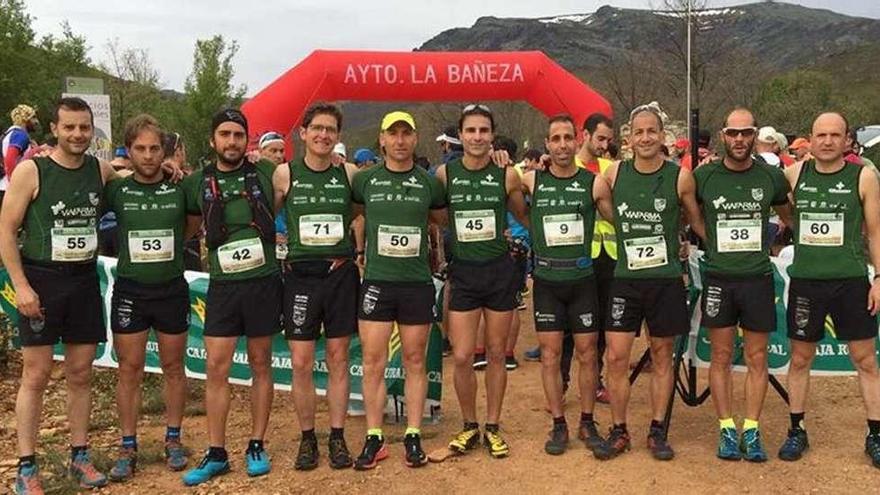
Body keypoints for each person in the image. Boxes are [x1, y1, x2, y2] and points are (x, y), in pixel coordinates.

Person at [1, 97, 117, 493]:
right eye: (69, 127)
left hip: (84, 280)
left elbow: (137, 174)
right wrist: (20, 285)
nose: (78, 134)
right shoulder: (32, 171)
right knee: (36, 374)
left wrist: (167, 165)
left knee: (81, 373)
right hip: (41, 280)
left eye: (84, 127)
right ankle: (26, 466)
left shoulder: (99, 170)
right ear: (54, 128)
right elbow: (5, 229)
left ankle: (80, 456)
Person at [594, 104, 705, 461]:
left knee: (661, 356)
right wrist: (622, 227)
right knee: (616, 357)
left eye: (652, 131)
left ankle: (658, 429)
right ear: (628, 138)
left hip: (665, 281)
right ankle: (619, 429)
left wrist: (718, 250)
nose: (645, 138)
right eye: (638, 132)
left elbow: (696, 221)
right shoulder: (613, 174)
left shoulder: (680, 177)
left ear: (662, 136)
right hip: (625, 281)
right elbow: (599, 202)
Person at [181, 109, 281, 485]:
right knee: (216, 367)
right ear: (213, 140)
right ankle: (217, 450)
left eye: (239, 135)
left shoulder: (267, 173)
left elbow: (294, 180)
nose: (232, 141)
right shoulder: (195, 182)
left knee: (261, 363)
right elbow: (189, 222)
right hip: (223, 285)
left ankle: (257, 443)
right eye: (225, 134)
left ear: (247, 140)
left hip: (263, 281)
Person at [778, 112, 880, 468]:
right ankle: (797, 429)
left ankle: (876, 435)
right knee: (801, 358)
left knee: (865, 360)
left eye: (835, 135)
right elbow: (777, 205)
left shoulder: (864, 176)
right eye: (821, 134)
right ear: (810, 138)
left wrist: (879, 278)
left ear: (847, 139)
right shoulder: (794, 174)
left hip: (850, 280)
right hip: (807, 281)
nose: (827, 141)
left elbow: (876, 232)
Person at [104, 114, 200, 482]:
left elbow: (191, 227)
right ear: (128, 152)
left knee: (175, 368)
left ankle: (173, 439)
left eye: (154, 148)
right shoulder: (117, 189)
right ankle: (128, 445)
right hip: (131, 289)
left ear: (165, 151)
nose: (148, 156)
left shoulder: (180, 187)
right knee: (130, 369)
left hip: (171, 288)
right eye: (140, 149)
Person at [695, 108, 793, 462]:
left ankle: (751, 428)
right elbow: (692, 213)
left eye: (746, 133)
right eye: (733, 133)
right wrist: (712, 242)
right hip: (720, 277)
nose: (739, 139)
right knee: (720, 356)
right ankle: (725, 428)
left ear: (755, 135)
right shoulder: (703, 176)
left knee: (756, 357)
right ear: (723, 135)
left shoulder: (771, 177)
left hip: (757, 278)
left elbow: (787, 215)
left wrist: (776, 242)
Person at [351, 111, 446, 470]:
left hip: (416, 284)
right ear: (382, 140)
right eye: (394, 134)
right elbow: (355, 213)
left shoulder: (428, 183)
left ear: (415, 139)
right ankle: (374, 435)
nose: (401, 140)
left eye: (407, 133)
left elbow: (440, 220)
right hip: (377, 281)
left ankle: (413, 433)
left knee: (415, 360)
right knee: (373, 361)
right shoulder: (365, 180)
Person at [434, 104, 527, 459]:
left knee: (496, 354)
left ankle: (493, 426)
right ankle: (469, 425)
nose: (477, 137)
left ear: (492, 135)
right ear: (461, 135)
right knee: (460, 356)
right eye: (470, 130)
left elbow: (524, 216)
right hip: (465, 274)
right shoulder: (445, 174)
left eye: (483, 131)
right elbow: (437, 215)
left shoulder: (507, 175)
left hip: (499, 271)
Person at [272, 103, 361, 470]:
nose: (324, 135)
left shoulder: (350, 174)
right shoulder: (283, 173)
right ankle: (308, 438)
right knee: (301, 361)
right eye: (317, 128)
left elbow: (366, 210)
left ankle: (337, 437)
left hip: (339, 274)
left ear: (338, 137)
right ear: (303, 133)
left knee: (339, 358)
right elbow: (264, 212)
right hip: (299, 277)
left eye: (331, 129)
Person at [522, 114, 613, 456]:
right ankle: (559, 424)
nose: (561, 145)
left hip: (582, 281)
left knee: (589, 354)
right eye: (554, 139)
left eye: (566, 138)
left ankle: (587, 421)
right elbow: (509, 194)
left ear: (577, 141)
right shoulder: (531, 181)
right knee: (550, 355)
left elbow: (617, 218)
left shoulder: (594, 184)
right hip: (547, 282)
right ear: (546, 144)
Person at [1, 104, 39, 202]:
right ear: (24, 119)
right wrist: (16, 185)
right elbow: (10, 159)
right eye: (33, 118)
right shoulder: (20, 135)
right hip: (10, 189)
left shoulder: (9, 133)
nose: (36, 122)